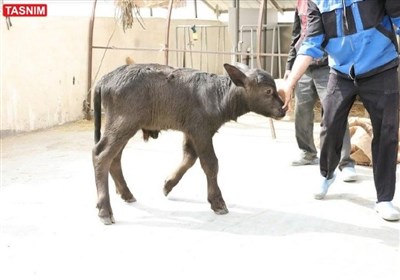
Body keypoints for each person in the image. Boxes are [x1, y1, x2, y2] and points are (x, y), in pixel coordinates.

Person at [280, 0, 400, 221]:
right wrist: (290, 83)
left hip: (382, 66)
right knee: (330, 124)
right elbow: (311, 42)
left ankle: (384, 198)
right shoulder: (317, 2)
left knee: (387, 133)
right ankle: (327, 173)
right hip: (341, 71)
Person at [285, 0, 357, 183]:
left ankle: (346, 162)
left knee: (335, 113)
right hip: (304, 67)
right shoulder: (301, 3)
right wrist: (289, 66)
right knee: (301, 111)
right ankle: (308, 152)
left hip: (327, 66)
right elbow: (297, 35)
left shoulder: (328, 3)